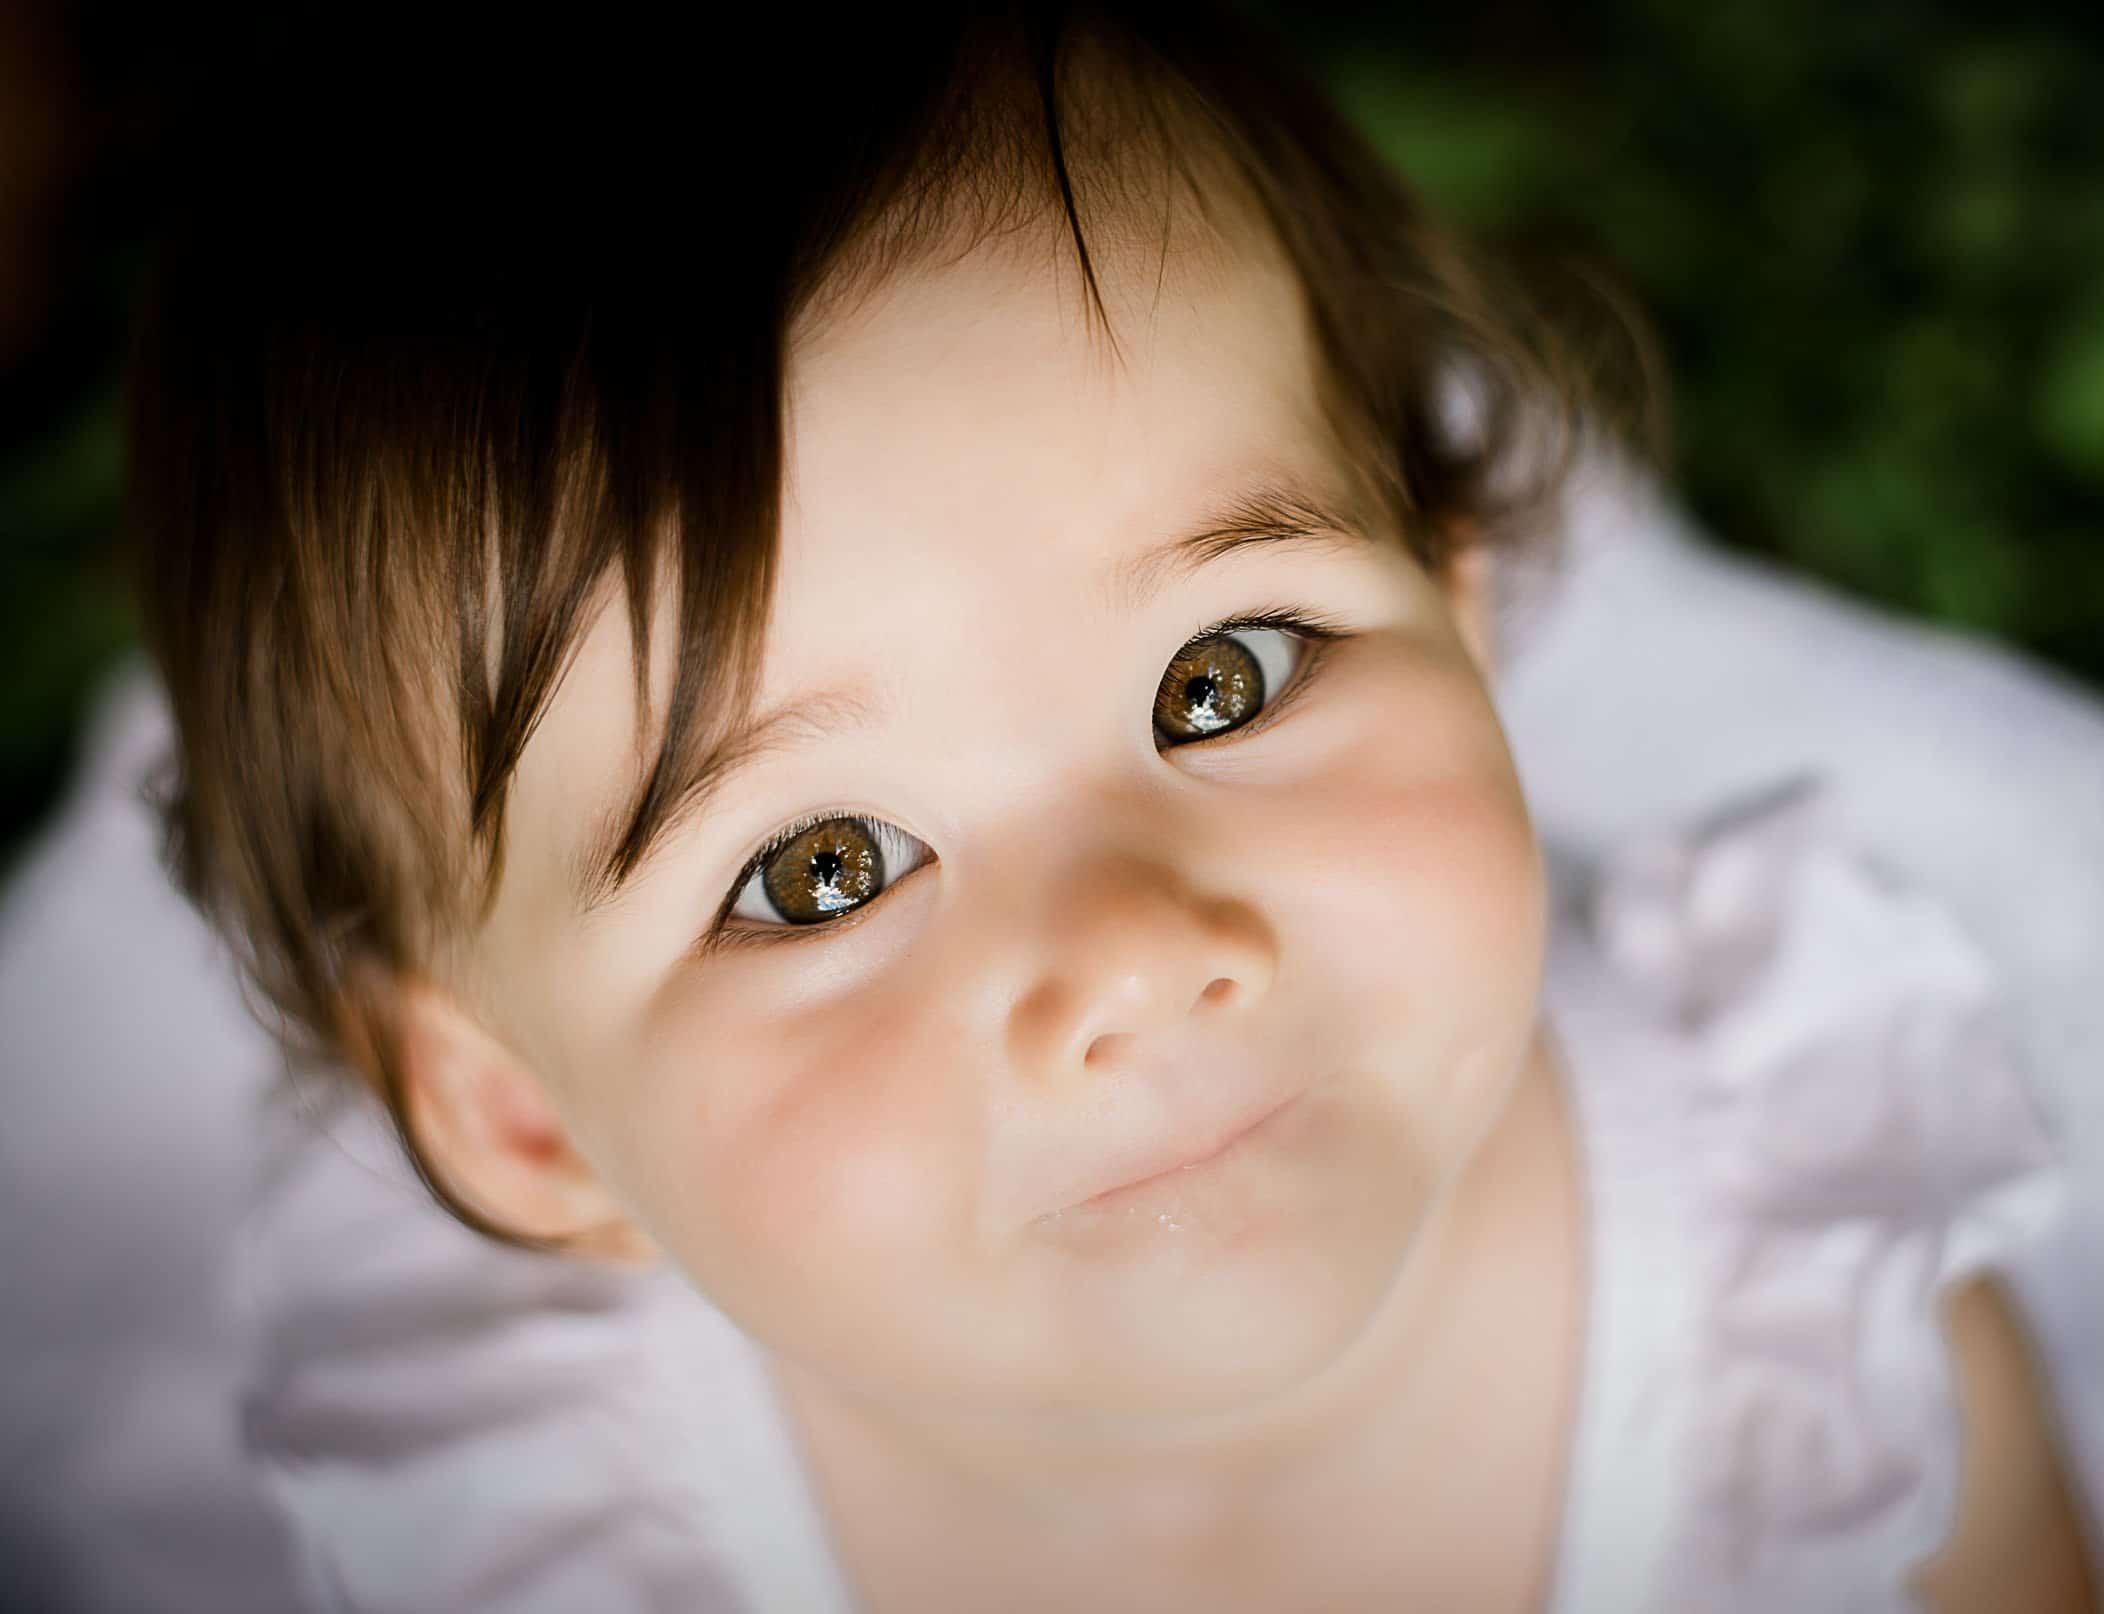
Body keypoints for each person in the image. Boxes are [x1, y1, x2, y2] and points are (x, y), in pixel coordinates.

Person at [122, 5, 2095, 1610]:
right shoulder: (538, 1527)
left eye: (1215, 676)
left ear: (1461, 614)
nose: (1139, 959)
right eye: (820, 872)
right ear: (527, 1123)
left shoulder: (1810, 1309)